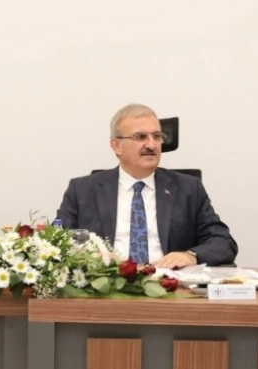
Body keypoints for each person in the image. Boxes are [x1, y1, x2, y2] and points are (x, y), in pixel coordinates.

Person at [57, 103, 237, 268]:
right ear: (116, 145)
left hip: (169, 285)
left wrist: (191, 256)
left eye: (157, 136)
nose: (151, 144)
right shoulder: (82, 190)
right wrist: (89, 256)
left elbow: (223, 241)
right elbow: (57, 243)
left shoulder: (189, 189)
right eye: (140, 137)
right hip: (106, 284)